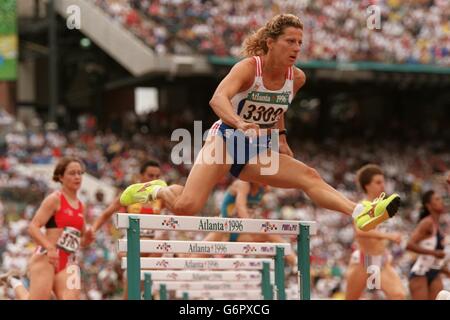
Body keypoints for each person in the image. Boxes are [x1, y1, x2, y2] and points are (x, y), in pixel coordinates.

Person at [119, 14, 400, 233]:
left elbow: (278, 106)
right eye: (290, 41)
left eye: (300, 42)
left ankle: (360, 212)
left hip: (257, 148)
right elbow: (218, 100)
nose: (297, 48)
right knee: (186, 207)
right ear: (271, 42)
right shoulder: (248, 68)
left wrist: (282, 137)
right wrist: (239, 123)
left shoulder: (297, 78)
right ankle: (153, 189)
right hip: (226, 139)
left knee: (309, 176)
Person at [0, 157, 93, 299]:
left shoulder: (81, 206)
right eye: (72, 173)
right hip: (46, 258)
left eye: (79, 173)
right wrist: (49, 247)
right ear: (61, 177)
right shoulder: (55, 199)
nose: (77, 177)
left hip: (68, 262)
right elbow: (33, 227)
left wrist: (88, 238)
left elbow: (81, 241)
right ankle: (14, 280)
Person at [87, 159, 166, 299]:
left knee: (136, 287)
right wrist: (92, 230)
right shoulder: (130, 194)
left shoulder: (161, 197)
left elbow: (179, 208)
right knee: (132, 285)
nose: (154, 180)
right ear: (141, 176)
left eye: (157, 176)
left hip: (151, 251)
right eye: (150, 175)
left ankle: (145, 289)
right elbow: (106, 213)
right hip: (133, 246)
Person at [191, 180, 297, 266]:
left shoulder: (265, 188)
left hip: (241, 233)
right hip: (225, 230)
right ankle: (184, 265)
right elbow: (240, 207)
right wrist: (253, 227)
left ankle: (295, 263)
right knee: (201, 253)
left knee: (272, 235)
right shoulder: (242, 184)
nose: (264, 179)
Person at [345, 164, 406, 300]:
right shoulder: (362, 206)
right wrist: (388, 236)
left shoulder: (384, 206)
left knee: (399, 295)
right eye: (378, 182)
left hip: (381, 260)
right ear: (367, 186)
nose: (383, 186)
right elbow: (360, 232)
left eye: (383, 182)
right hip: (363, 261)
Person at [407, 190, 450, 300]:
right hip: (420, 273)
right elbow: (409, 245)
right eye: (437, 199)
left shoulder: (438, 226)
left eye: (440, 199)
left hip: (435, 271)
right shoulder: (427, 222)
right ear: (429, 206)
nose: (441, 201)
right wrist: (434, 252)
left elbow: (435, 260)